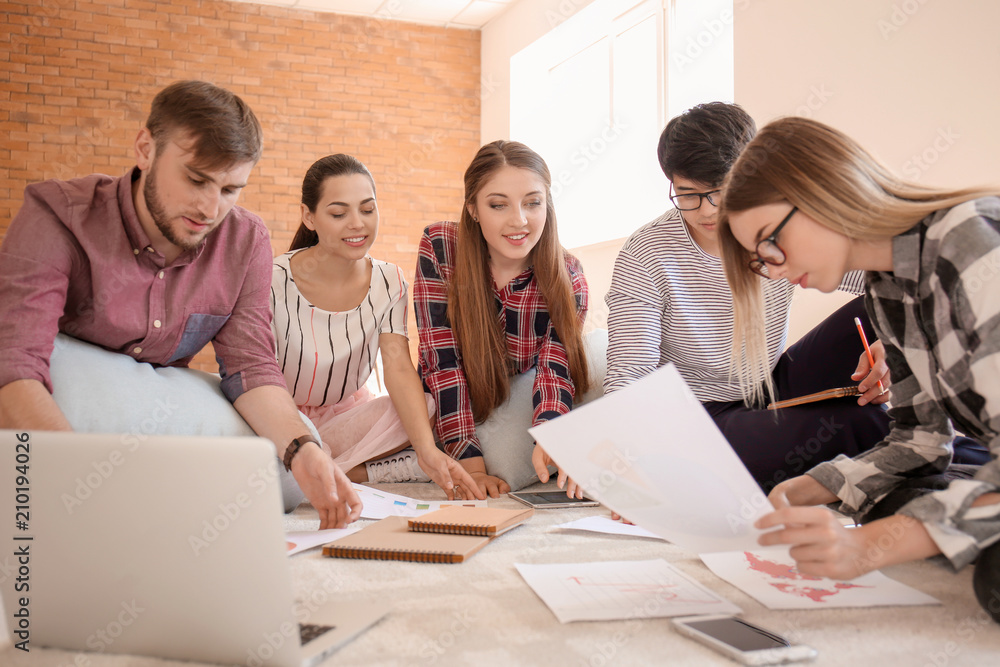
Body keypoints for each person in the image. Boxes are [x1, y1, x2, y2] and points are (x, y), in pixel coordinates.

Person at [0, 80, 359, 529]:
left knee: (291, 470)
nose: (211, 208)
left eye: (230, 190)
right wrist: (78, 488)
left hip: (159, 395)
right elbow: (14, 362)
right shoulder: (59, 214)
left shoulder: (245, 241)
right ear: (145, 149)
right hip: (65, 394)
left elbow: (251, 366)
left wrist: (302, 450)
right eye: (196, 179)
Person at [717, 115, 1000, 621]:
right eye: (760, 260)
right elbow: (920, 441)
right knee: (895, 501)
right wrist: (808, 485)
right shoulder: (886, 290)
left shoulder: (971, 240)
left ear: (823, 187)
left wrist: (867, 547)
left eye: (769, 241)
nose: (774, 267)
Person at [605, 102, 906, 492]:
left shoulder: (771, 226)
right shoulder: (646, 253)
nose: (706, 211)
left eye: (721, 191)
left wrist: (893, 343)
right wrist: (628, 455)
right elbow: (630, 373)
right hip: (701, 415)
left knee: (877, 305)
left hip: (772, 382)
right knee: (861, 422)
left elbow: (888, 274)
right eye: (688, 194)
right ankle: (941, 465)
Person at [271, 154, 483, 500]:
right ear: (309, 216)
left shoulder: (389, 279)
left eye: (367, 210)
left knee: (425, 408)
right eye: (339, 214)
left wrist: (428, 452)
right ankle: (351, 470)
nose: (357, 224)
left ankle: (334, 471)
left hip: (345, 418)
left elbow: (398, 366)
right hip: (283, 417)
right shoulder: (273, 277)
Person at [414, 140, 592, 498]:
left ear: (547, 204)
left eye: (532, 202)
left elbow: (556, 369)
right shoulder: (441, 246)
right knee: (406, 419)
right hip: (456, 392)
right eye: (498, 205)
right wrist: (471, 466)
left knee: (514, 457)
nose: (519, 221)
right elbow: (441, 363)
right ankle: (421, 457)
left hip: (521, 390)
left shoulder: (567, 274)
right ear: (474, 209)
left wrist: (551, 434)